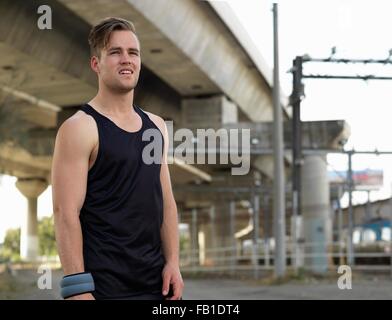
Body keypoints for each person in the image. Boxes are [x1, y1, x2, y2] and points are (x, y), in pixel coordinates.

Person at [51, 17, 183, 300]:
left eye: (133, 53)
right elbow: (65, 213)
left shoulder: (156, 126)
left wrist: (173, 262)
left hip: (157, 285)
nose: (127, 60)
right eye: (115, 52)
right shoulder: (79, 128)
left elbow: (166, 202)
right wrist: (77, 287)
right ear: (96, 64)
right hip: (104, 289)